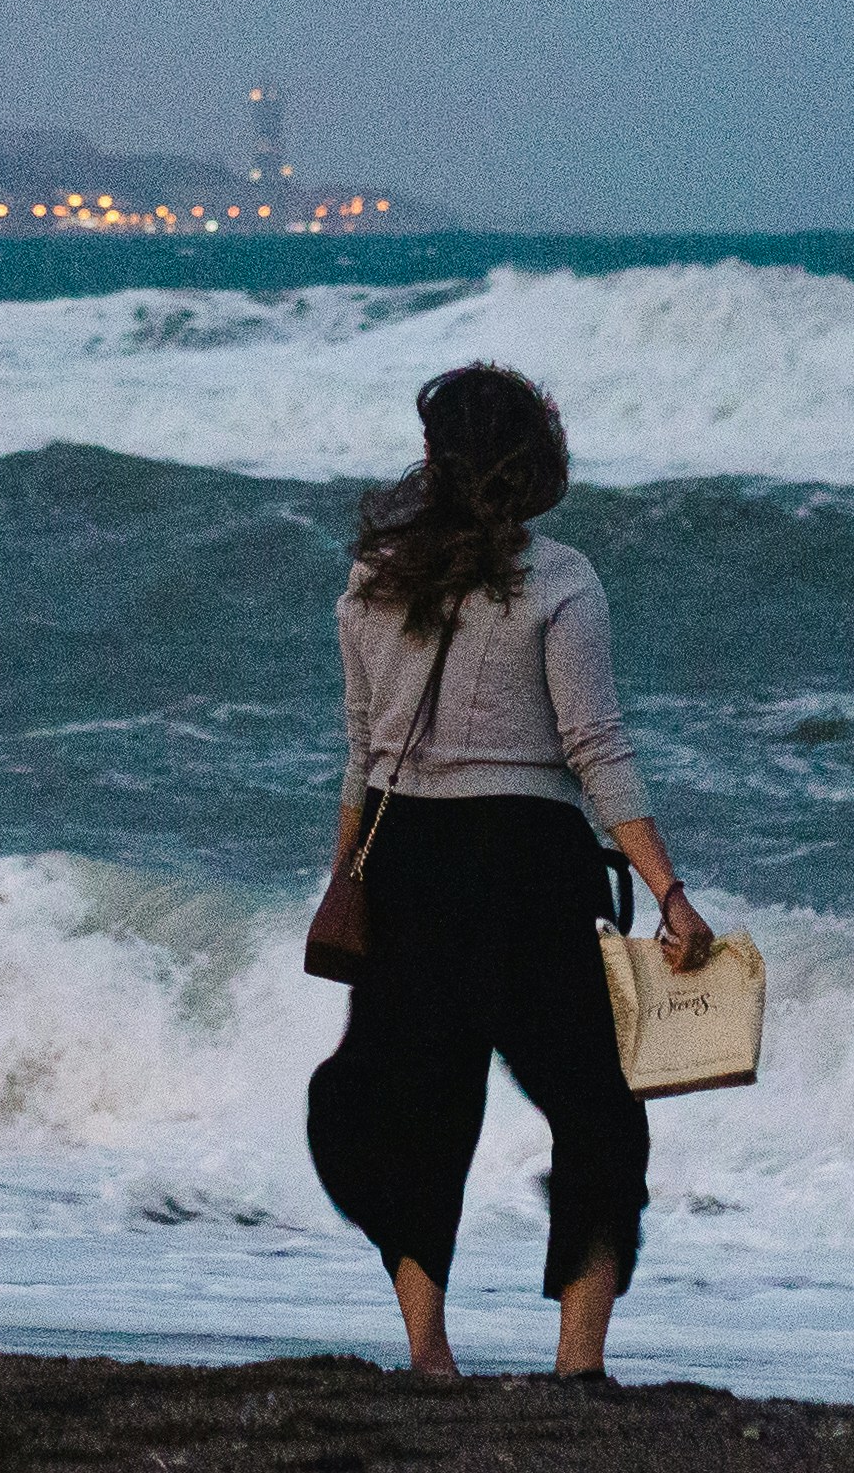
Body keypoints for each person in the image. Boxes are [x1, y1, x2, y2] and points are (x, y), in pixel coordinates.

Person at [305, 361, 717, 1383]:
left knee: (414, 1110)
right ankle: (578, 1361)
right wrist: (667, 890)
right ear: (530, 460)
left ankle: (428, 1355)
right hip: (528, 869)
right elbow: (595, 748)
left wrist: (342, 877)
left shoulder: (375, 579)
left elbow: (361, 752)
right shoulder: (563, 579)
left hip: (403, 864)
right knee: (597, 1114)